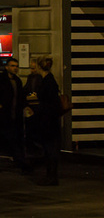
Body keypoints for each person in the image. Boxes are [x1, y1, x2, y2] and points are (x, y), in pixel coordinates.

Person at [0, 57, 28, 173]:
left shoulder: (17, 81)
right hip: (2, 116)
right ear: (7, 67)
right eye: (12, 66)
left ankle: (20, 163)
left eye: (16, 66)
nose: (15, 68)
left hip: (13, 116)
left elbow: (19, 97)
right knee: (1, 141)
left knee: (12, 141)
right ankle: (21, 164)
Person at [34, 56, 62, 186]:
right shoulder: (50, 80)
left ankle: (51, 176)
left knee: (50, 149)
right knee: (51, 149)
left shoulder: (47, 81)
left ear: (39, 66)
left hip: (48, 121)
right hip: (51, 121)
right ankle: (51, 175)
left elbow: (49, 102)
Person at [23, 58, 43, 156]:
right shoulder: (31, 77)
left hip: (36, 106)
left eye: (34, 68)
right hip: (32, 106)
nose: (32, 70)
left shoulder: (39, 78)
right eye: (31, 68)